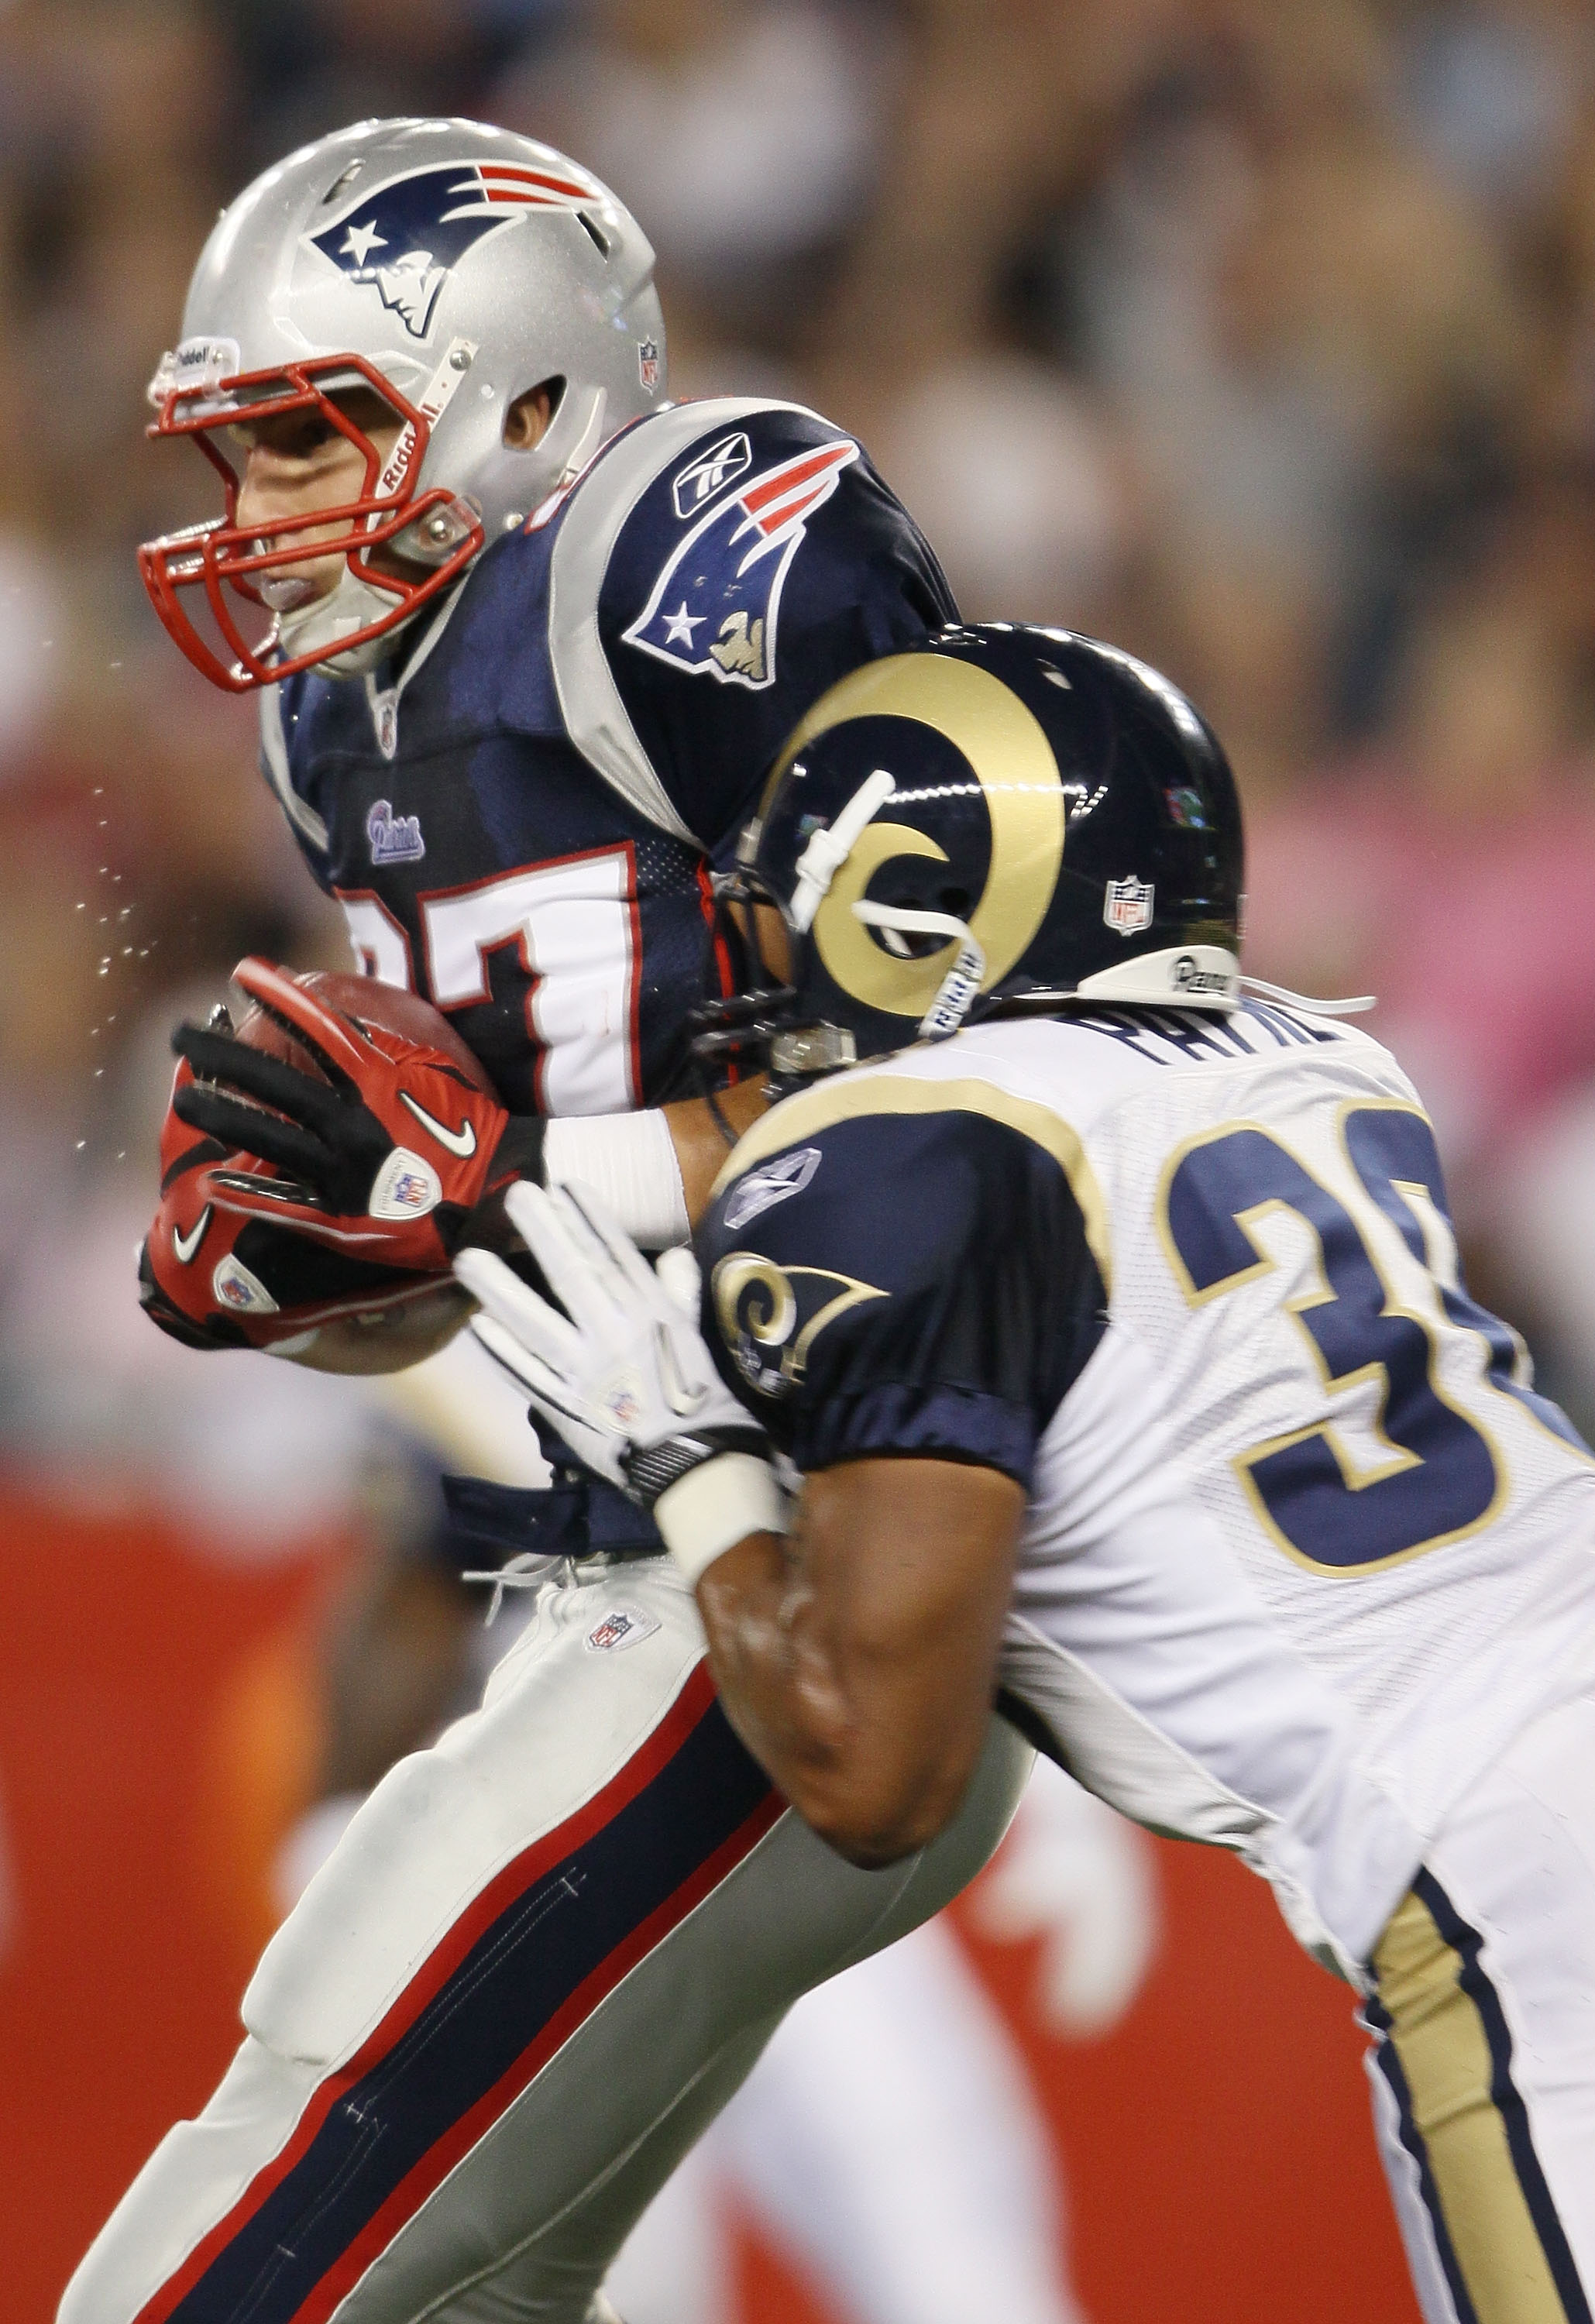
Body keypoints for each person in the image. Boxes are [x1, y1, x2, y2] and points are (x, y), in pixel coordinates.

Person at [61, 117, 1033, 2324]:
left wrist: (497, 1175)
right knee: (457, 2286)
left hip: (839, 1538)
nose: (258, 515)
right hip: (638, 1558)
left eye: (308, 437)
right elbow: (501, 1254)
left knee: (256, 2236)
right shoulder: (344, 722)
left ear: (524, 404)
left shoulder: (688, 553)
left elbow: (974, 1074)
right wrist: (327, 1281)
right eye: (240, 456)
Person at [459, 622, 1595, 2324]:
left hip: (1510, 1845)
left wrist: (686, 1456)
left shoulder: (900, 1157)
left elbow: (872, 1769)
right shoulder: (1330, 1053)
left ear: (913, 904)